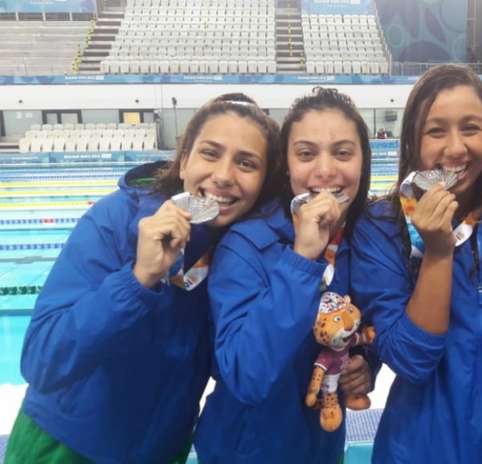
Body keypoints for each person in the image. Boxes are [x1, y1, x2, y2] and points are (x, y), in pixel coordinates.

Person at [5, 94, 280, 463]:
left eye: (246, 163)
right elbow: (41, 360)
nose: (224, 175)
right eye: (210, 153)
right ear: (184, 161)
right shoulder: (116, 219)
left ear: (263, 183)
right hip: (63, 446)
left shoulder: (244, 252)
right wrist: (137, 279)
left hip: (160, 452)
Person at [350, 64, 482, 463]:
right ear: (413, 141)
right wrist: (437, 251)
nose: (455, 148)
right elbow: (410, 359)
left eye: (470, 128)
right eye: (436, 131)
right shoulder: (381, 227)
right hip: (417, 451)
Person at [193, 87, 373, 463]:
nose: (325, 170)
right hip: (243, 452)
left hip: (321, 448)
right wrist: (302, 258)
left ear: (363, 162)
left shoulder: (364, 240)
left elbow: (368, 327)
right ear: (287, 165)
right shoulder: (244, 246)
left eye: (342, 152)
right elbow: (245, 375)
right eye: (306, 154)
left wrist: (366, 365)